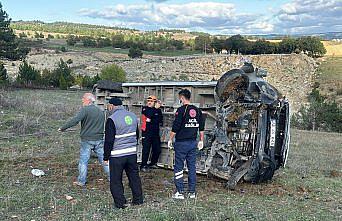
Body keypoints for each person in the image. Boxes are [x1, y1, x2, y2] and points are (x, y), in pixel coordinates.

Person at [58, 93, 109, 186]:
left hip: (87, 140)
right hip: (99, 139)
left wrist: (62, 128)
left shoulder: (85, 110)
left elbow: (75, 120)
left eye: (83, 98)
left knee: (83, 161)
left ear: (89, 100)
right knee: (104, 160)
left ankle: (81, 181)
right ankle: (112, 178)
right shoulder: (101, 111)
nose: (82, 100)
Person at [103, 98, 143, 209]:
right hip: (131, 154)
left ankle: (120, 203)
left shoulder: (111, 119)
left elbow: (109, 140)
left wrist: (105, 157)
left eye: (108, 106)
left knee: (116, 180)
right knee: (134, 177)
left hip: (117, 155)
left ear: (111, 106)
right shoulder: (132, 116)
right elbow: (137, 134)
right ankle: (138, 200)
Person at [168, 89, 205, 199]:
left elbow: (176, 126)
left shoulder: (181, 110)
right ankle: (192, 192)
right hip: (193, 143)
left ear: (182, 98)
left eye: (180, 98)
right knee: (192, 167)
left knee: (179, 167)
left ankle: (180, 192)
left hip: (181, 143)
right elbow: (201, 128)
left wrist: (170, 139)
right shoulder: (198, 110)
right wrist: (201, 140)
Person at [140, 95, 163, 172]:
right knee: (146, 150)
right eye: (148, 101)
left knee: (157, 149)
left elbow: (160, 120)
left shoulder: (158, 110)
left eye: (151, 101)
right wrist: (154, 110)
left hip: (155, 133)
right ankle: (143, 165)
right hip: (146, 132)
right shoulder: (145, 109)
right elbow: (149, 115)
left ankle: (153, 163)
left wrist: (152, 117)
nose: (149, 102)